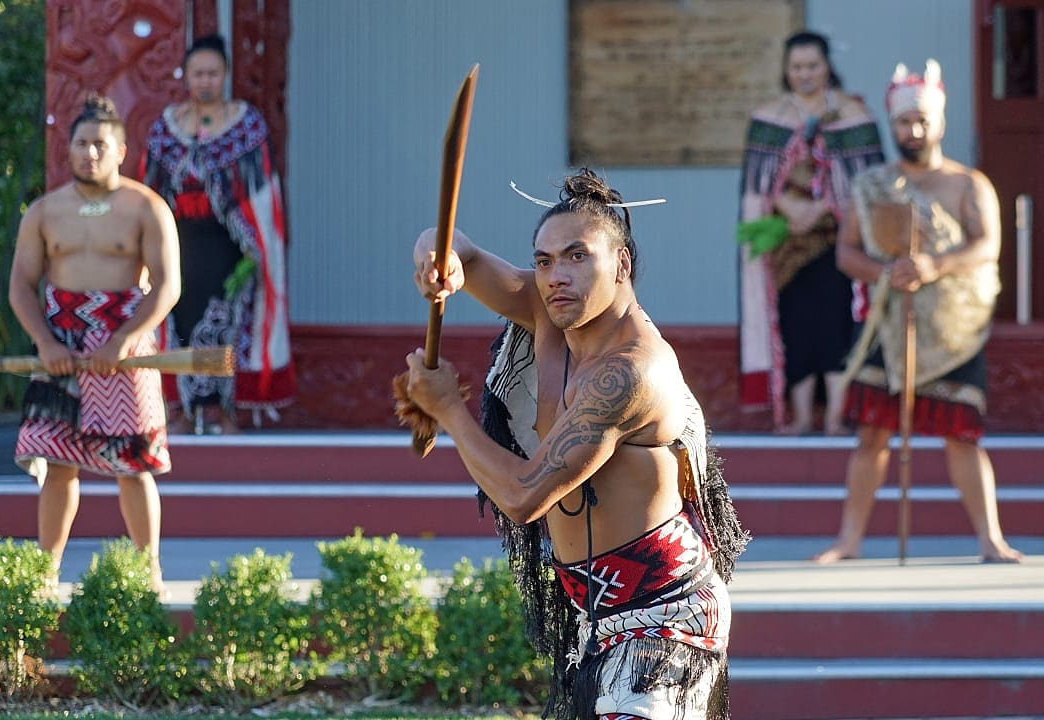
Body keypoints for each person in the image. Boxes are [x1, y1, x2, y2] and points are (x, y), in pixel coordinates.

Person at [400, 169, 749, 720]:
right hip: (597, 616)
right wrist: (438, 261)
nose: (555, 276)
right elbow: (452, 242)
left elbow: (523, 497)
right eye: (543, 261)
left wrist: (448, 409)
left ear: (622, 264)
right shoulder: (548, 309)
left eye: (577, 256)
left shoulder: (630, 374)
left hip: (665, 621)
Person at [813, 59, 1023, 565]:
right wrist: (890, 273)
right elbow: (848, 253)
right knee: (873, 435)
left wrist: (933, 264)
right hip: (889, 322)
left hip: (954, 328)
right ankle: (849, 541)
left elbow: (986, 246)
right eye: (905, 121)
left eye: (923, 120)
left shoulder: (969, 184)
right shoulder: (873, 185)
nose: (914, 130)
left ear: (940, 123)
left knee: (962, 435)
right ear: (893, 124)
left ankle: (990, 541)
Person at [9, 94, 181, 594]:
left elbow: (168, 285)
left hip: (126, 346)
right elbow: (22, 283)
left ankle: (149, 572)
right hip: (60, 342)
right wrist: (44, 340)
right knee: (58, 462)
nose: (90, 154)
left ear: (121, 149)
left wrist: (123, 341)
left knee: (134, 463)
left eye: (100, 145)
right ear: (69, 149)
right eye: (82, 144)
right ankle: (45, 575)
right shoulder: (44, 210)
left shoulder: (147, 206)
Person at [141, 33, 293, 435]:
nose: (205, 80)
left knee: (227, 324)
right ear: (186, 77)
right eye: (198, 73)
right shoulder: (166, 129)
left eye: (212, 73)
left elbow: (263, 196)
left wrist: (254, 251)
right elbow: (150, 192)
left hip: (230, 246)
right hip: (179, 244)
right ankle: (180, 408)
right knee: (178, 321)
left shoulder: (247, 126)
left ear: (224, 75)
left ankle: (224, 409)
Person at [737, 30, 885, 435]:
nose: (804, 74)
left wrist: (821, 206)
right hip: (785, 245)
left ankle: (836, 417)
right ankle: (801, 417)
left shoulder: (854, 114)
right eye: (796, 67)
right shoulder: (769, 117)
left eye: (812, 66)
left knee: (837, 326)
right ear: (786, 71)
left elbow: (869, 182)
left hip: (839, 242)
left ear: (827, 67)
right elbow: (757, 185)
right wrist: (788, 206)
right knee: (796, 326)